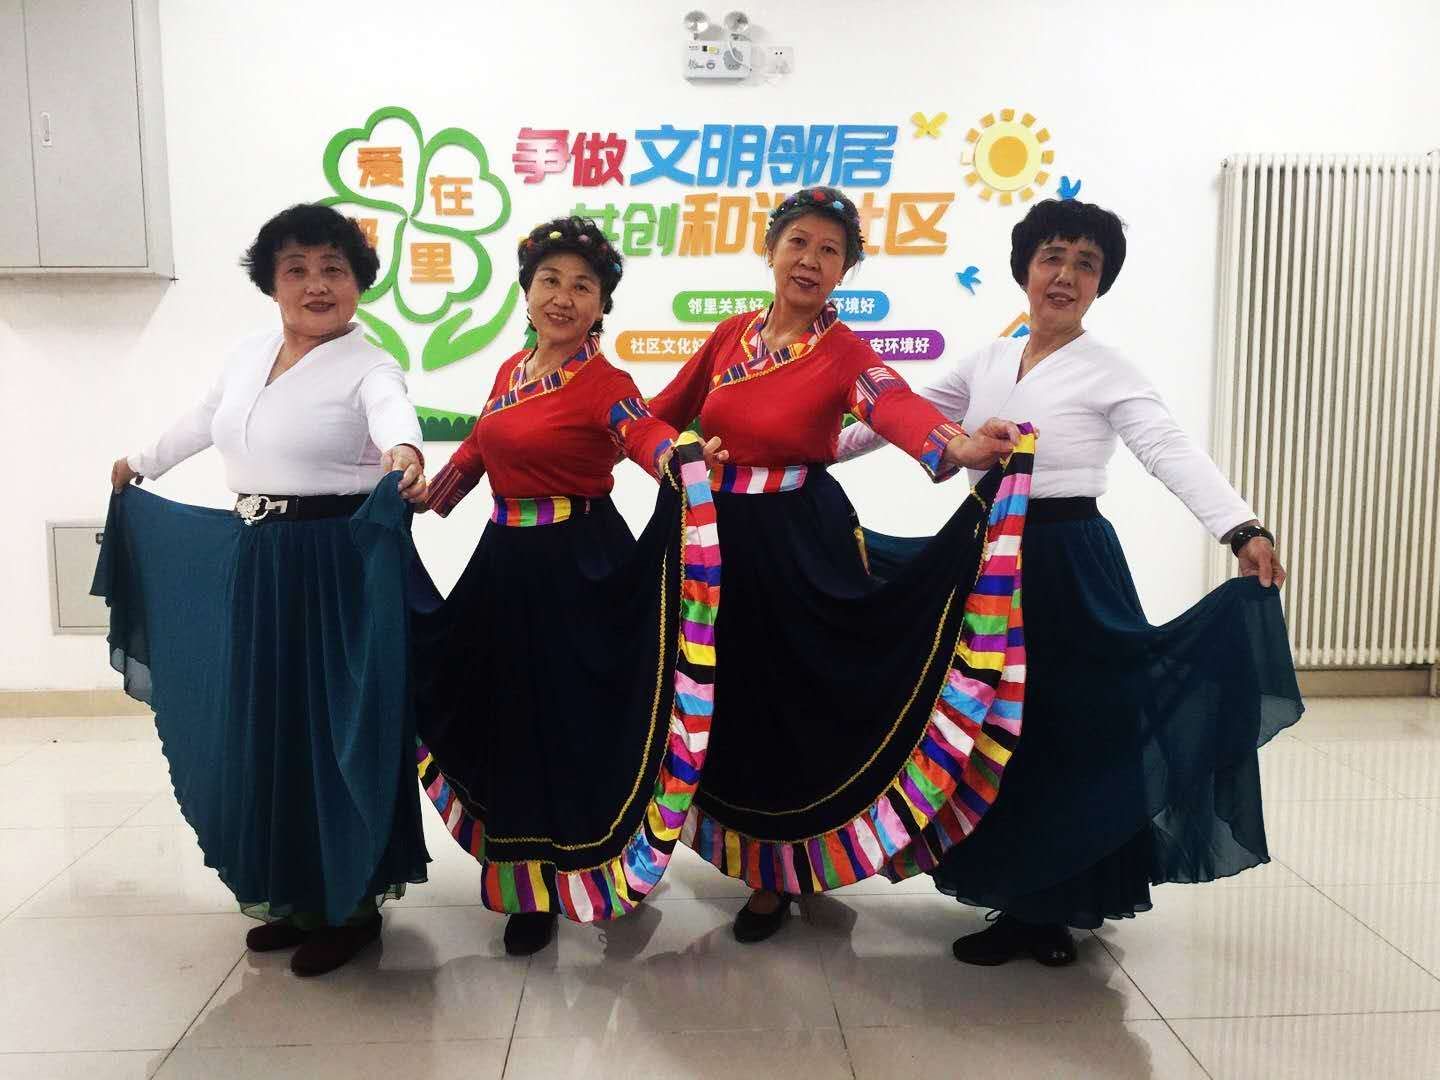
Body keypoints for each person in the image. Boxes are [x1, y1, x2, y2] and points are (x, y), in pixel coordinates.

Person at [839, 198, 1304, 966]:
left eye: (1086, 264)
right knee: (989, 730)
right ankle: (1015, 888)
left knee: (1062, 729)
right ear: (1025, 267)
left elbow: (1168, 449)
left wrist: (1241, 528)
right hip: (985, 557)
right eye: (1053, 257)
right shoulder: (988, 360)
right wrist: (794, 451)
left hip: (1065, 562)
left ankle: (1048, 908)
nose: (1066, 275)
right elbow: (897, 420)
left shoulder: (1109, 370)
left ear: (1099, 284)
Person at [648, 185, 1032, 943]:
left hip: (800, 541)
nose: (811, 260)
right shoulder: (728, 337)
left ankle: (782, 871)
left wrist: (957, 445)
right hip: (718, 542)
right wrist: (681, 450)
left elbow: (895, 405)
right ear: (770, 250)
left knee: (798, 701)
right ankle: (746, 848)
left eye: (830, 250)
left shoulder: (845, 352)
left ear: (845, 270)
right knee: (729, 697)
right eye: (798, 242)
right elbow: (660, 415)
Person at [96, 203, 431, 976]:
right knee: (271, 729)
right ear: (272, 282)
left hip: (334, 571)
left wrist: (406, 453)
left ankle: (350, 907)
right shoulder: (250, 354)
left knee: (333, 734)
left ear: (358, 281)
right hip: (260, 562)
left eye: (334, 269)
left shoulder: (369, 365)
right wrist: (141, 462)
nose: (317, 285)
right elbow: (206, 419)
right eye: (297, 270)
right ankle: (296, 895)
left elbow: (394, 417)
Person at [408, 216, 725, 956]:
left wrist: (680, 457)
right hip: (504, 566)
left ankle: (596, 868)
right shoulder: (510, 373)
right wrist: (426, 496)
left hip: (577, 567)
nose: (564, 296)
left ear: (601, 306)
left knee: (573, 725)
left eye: (583, 286)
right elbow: (480, 447)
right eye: (549, 280)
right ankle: (527, 883)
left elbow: (641, 432)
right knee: (506, 720)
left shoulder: (605, 382)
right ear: (526, 293)